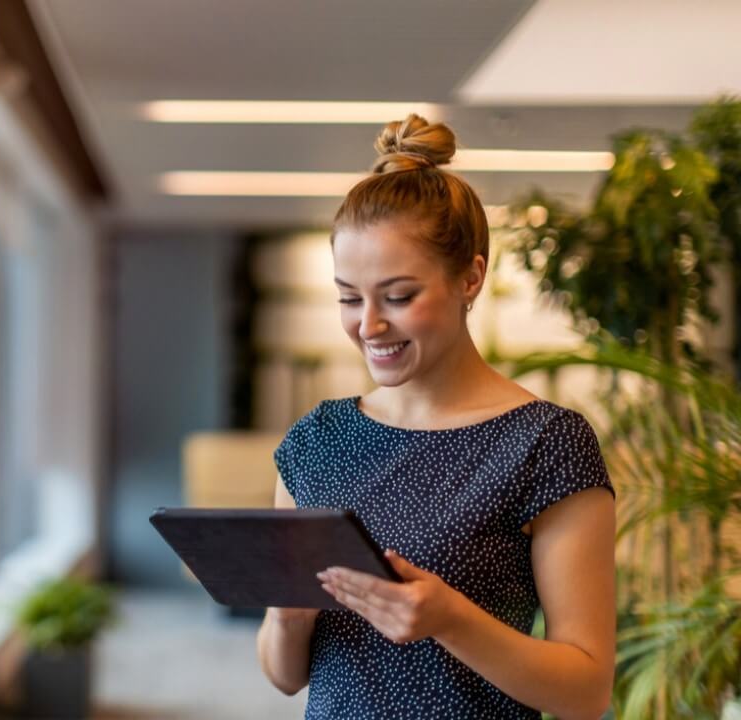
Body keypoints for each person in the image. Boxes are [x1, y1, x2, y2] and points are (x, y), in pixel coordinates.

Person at [254, 114, 616, 719]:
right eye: (349, 297)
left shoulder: (546, 444)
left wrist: (450, 620)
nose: (368, 326)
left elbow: (586, 691)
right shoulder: (316, 441)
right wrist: (289, 616)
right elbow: (283, 676)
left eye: (398, 296)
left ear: (470, 277)